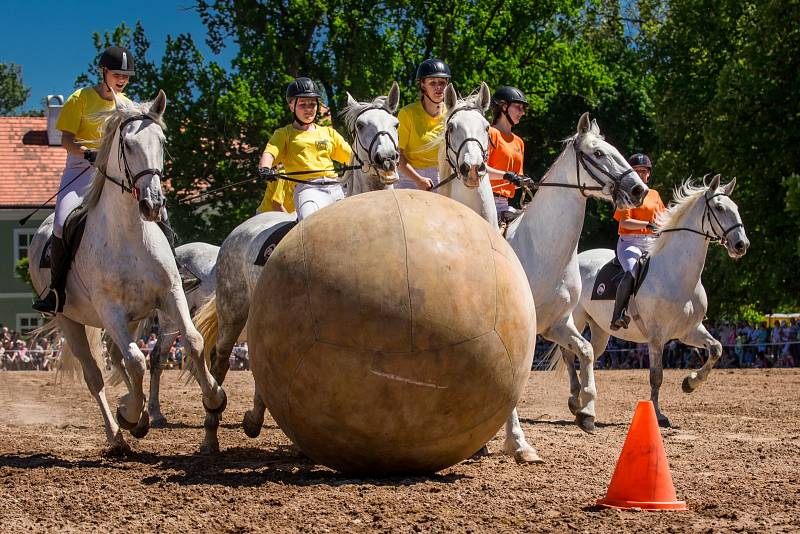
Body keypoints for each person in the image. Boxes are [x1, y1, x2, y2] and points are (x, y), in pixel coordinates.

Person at [258, 77, 352, 220]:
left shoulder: (329, 132)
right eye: (302, 104)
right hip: (308, 189)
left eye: (312, 104)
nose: (308, 109)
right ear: (291, 106)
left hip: (336, 186)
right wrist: (265, 168)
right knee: (309, 224)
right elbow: (270, 153)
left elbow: (351, 156)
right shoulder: (284, 134)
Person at [610, 153, 665, 330]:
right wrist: (649, 224)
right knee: (632, 271)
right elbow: (624, 222)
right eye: (637, 171)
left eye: (644, 171)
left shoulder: (655, 195)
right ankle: (618, 315)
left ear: (649, 174)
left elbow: (664, 219)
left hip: (652, 242)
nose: (641, 174)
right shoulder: (625, 194)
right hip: (630, 243)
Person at [397, 59, 451, 190]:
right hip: (409, 180)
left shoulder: (451, 114)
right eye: (432, 83)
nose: (438, 88)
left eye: (442, 83)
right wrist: (418, 179)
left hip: (442, 179)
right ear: (422, 85)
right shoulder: (407, 113)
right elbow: (397, 156)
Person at [485, 86, 528, 227]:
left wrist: (523, 182)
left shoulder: (519, 142)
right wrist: (506, 175)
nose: (522, 112)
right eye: (518, 107)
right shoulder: (490, 133)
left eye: (524, 108)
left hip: (504, 204)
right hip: (485, 200)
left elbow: (513, 183)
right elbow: (480, 171)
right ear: (503, 107)